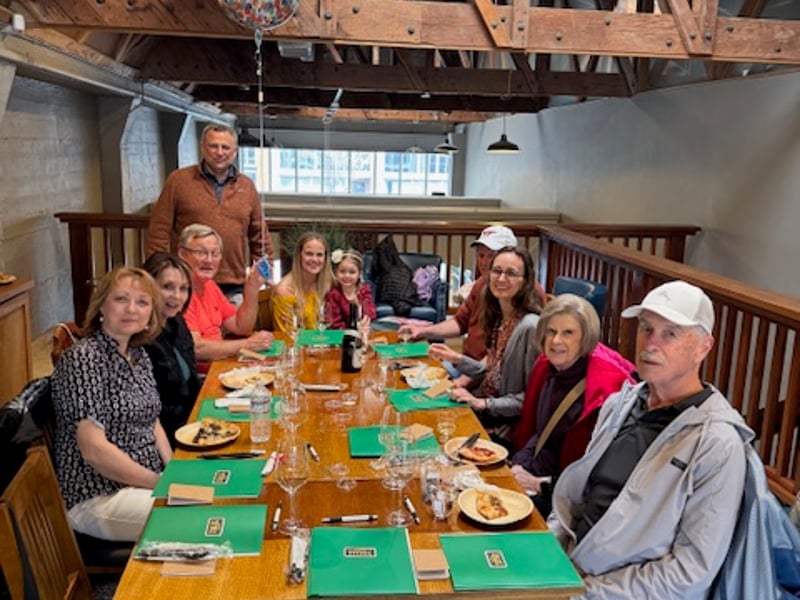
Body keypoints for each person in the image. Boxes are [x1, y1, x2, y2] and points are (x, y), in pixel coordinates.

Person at [548, 280, 752, 598]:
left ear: (704, 347)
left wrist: (585, 592)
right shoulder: (620, 404)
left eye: (670, 333)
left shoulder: (717, 443)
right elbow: (577, 498)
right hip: (569, 568)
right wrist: (547, 548)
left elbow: (690, 573)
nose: (650, 344)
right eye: (646, 328)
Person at [51, 266, 171, 541]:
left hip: (144, 483)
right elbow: (94, 450)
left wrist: (173, 470)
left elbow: (152, 421)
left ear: (150, 314)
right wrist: (161, 483)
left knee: (220, 497)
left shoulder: (137, 354)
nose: (131, 309)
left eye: (142, 302)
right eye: (121, 299)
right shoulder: (84, 358)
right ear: (102, 306)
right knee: (200, 516)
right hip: (99, 496)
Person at [510, 294, 636, 516]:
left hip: (567, 502)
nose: (556, 341)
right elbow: (541, 433)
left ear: (585, 338)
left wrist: (538, 483)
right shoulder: (547, 368)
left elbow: (595, 474)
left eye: (568, 333)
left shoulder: (604, 393)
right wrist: (519, 464)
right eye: (551, 331)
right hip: (538, 476)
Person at [147, 123, 274, 300]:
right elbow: (158, 231)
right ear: (202, 148)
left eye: (225, 147)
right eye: (214, 146)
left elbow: (259, 236)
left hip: (234, 284)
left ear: (235, 151)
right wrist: (159, 272)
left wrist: (267, 273)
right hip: (188, 282)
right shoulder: (178, 181)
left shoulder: (247, 186)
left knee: (239, 319)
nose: (219, 152)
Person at [428, 246, 541, 443]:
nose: (501, 278)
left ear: (525, 281)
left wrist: (481, 403)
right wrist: (456, 358)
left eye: (511, 273)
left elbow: (531, 399)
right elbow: (492, 373)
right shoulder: (500, 316)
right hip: (483, 409)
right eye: (497, 271)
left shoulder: (530, 326)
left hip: (502, 429)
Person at [400, 225, 518, 363]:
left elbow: (502, 357)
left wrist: (462, 371)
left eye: (491, 256)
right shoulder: (481, 283)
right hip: (468, 365)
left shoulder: (521, 294)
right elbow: (459, 322)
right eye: (481, 255)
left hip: (482, 372)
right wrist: (423, 331)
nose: (484, 262)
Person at [177, 223, 273, 365]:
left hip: (220, 363)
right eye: (201, 253)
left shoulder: (210, 285)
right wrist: (246, 345)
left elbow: (241, 327)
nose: (209, 260)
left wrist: (252, 288)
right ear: (182, 254)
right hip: (201, 374)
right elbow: (196, 348)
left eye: (215, 254)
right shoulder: (179, 292)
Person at [142, 252, 201, 447]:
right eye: (167, 287)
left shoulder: (176, 322)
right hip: (169, 436)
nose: (177, 296)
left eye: (183, 288)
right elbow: (154, 413)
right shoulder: (140, 338)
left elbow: (192, 381)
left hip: (193, 423)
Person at [272, 232, 333, 333]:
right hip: (297, 342)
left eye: (319, 255)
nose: (315, 259)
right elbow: (288, 334)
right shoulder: (284, 291)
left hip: (322, 340)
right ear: (299, 256)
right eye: (309, 254)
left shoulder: (328, 283)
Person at [324, 248, 377, 329]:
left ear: (359, 274)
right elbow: (334, 321)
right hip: (342, 331)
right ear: (336, 272)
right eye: (342, 271)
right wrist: (352, 329)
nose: (347, 276)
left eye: (352, 272)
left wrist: (364, 314)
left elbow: (371, 312)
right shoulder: (334, 294)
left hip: (364, 328)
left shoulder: (364, 290)